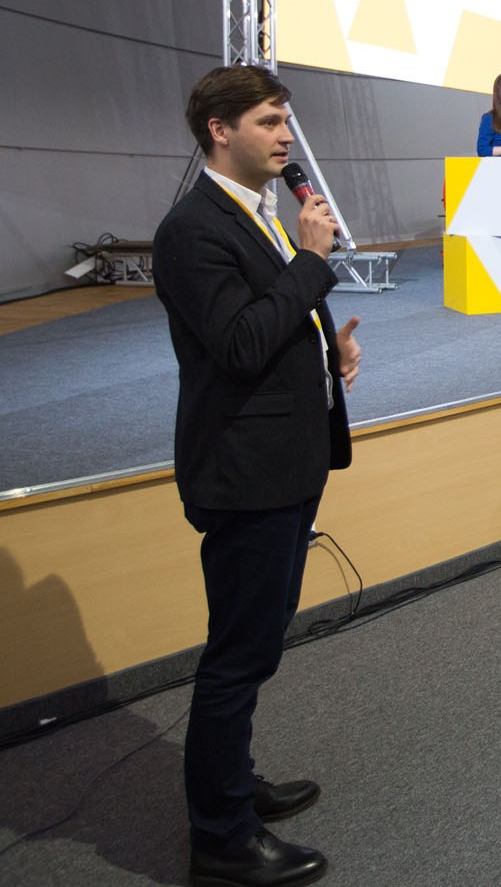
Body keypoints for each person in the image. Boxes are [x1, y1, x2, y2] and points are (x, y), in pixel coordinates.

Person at [152, 66, 362, 887]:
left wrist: (326, 347)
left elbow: (270, 325)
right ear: (219, 129)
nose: (286, 137)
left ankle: (233, 785)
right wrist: (311, 263)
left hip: (286, 458)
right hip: (243, 472)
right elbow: (238, 343)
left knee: (257, 643)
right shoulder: (191, 230)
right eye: (271, 121)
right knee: (237, 655)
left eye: (286, 122)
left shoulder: (258, 212)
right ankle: (221, 838)